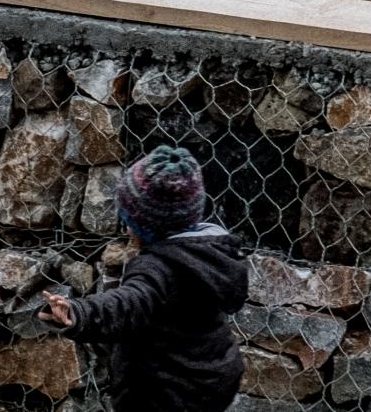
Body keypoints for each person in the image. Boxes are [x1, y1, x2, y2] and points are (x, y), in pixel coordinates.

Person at [38, 145, 248, 411]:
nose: (126, 228)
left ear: (145, 226)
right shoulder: (211, 252)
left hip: (164, 393)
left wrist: (78, 312)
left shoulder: (157, 269)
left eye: (128, 220)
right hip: (213, 376)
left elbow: (127, 303)